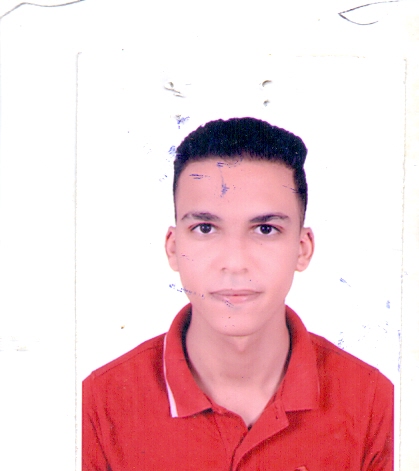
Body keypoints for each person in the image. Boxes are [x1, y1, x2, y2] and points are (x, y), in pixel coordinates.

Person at [82, 117, 393, 470]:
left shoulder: (376, 405)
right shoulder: (97, 407)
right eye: (205, 228)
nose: (235, 263)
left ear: (303, 248)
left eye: (265, 229)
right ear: (173, 247)